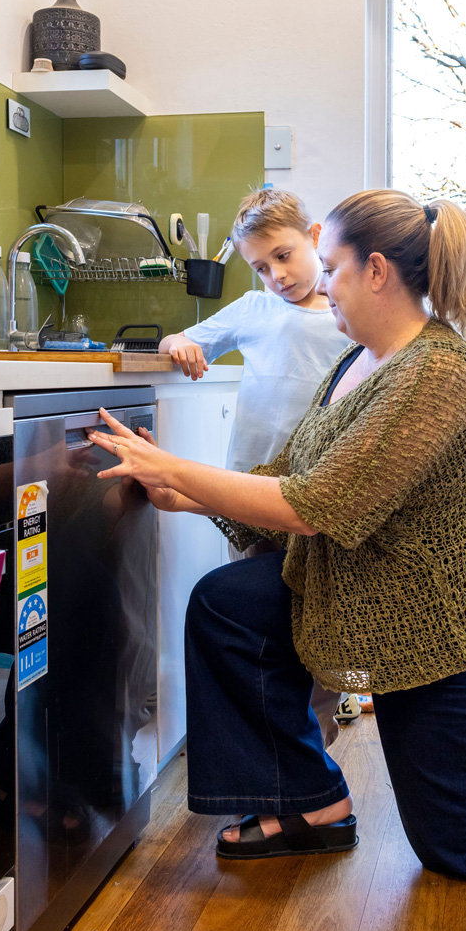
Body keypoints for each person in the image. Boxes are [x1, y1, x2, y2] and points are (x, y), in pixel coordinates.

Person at [86, 190, 466, 877]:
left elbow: (315, 504)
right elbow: (289, 471)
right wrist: (185, 495)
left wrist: (178, 470)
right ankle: (311, 802)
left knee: (461, 845)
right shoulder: (356, 363)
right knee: (227, 605)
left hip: (459, 635)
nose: (322, 283)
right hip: (372, 607)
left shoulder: (438, 372)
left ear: (376, 271)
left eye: (334, 267)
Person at [158, 187, 356, 744]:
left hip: (314, 494)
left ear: (315, 238)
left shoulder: (347, 315)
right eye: (261, 267)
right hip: (247, 495)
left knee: (320, 616)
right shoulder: (255, 309)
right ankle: (281, 736)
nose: (277, 275)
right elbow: (183, 338)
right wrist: (183, 344)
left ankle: (321, 727)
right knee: (262, 621)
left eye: (284, 256)